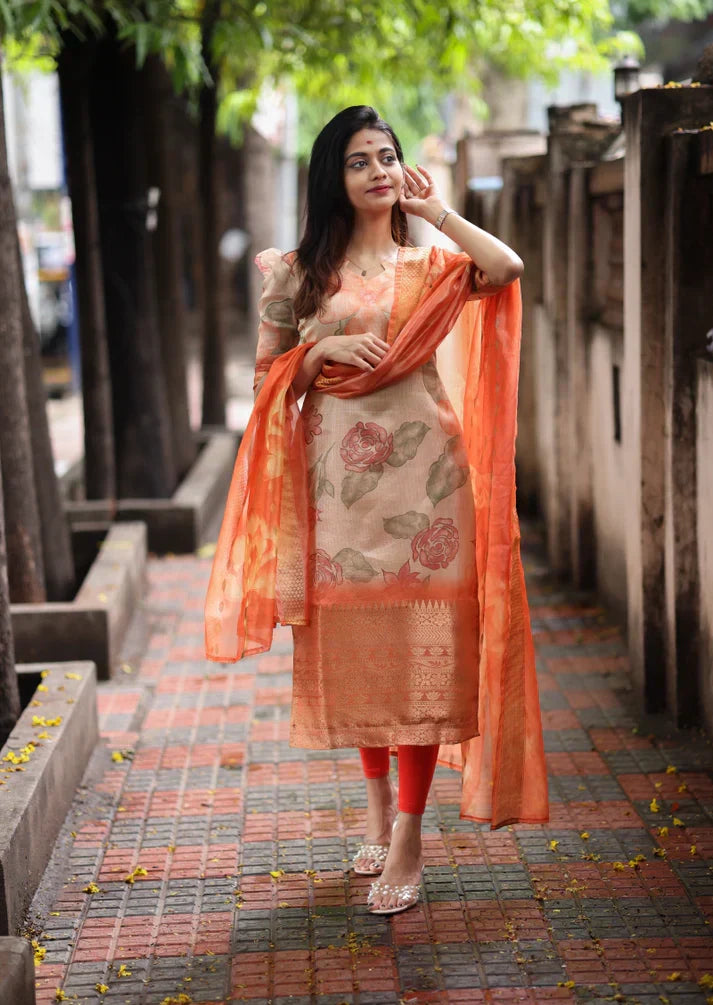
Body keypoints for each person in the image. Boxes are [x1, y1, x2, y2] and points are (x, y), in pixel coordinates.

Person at [205, 105, 548, 916]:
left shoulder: (428, 266)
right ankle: (374, 809)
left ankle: (409, 835)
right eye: (358, 160)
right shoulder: (295, 273)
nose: (377, 171)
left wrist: (437, 211)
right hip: (338, 495)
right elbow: (264, 384)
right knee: (362, 658)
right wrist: (319, 351)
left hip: (428, 491)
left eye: (386, 157)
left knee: (422, 660)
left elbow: (505, 267)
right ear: (333, 176)